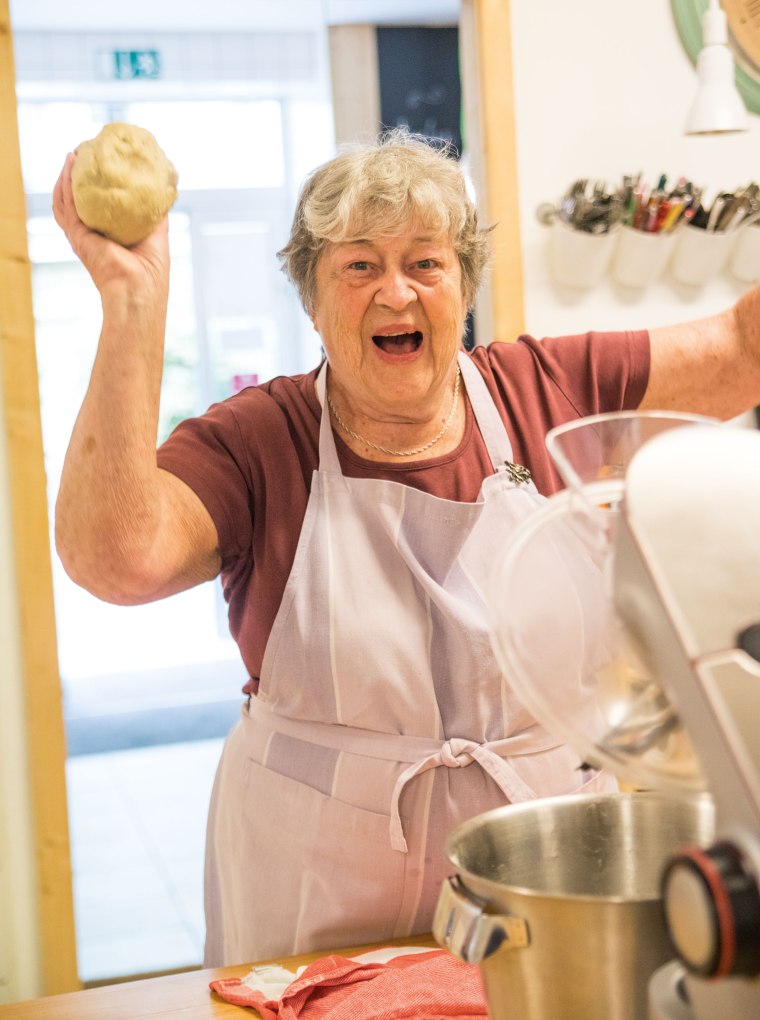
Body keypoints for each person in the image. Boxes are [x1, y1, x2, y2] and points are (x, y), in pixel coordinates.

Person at [52, 130, 760, 967]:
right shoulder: (261, 440)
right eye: (358, 266)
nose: (396, 291)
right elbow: (116, 560)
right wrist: (134, 303)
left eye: (426, 262)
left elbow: (745, 349)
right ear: (311, 300)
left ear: (462, 288)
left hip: (541, 870)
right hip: (312, 886)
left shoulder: (549, 389)